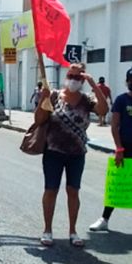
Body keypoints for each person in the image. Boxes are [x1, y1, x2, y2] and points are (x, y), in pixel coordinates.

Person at [34, 63, 108, 247]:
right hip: (53, 151)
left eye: (78, 77)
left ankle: (73, 231)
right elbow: (39, 120)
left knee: (73, 191)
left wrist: (94, 85)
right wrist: (43, 101)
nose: (73, 80)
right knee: (51, 190)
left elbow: (103, 110)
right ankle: (47, 230)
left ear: (83, 80)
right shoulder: (54, 95)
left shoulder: (86, 99)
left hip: (76, 153)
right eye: (71, 75)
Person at [89, 67, 132, 234]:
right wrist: (119, 148)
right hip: (125, 147)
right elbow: (114, 126)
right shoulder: (121, 100)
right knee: (117, 183)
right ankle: (104, 219)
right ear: (127, 82)